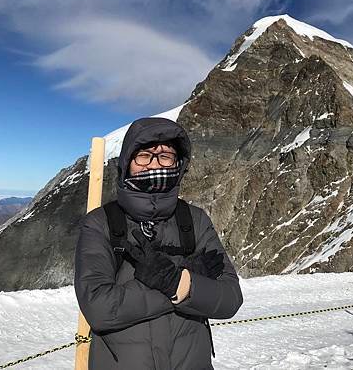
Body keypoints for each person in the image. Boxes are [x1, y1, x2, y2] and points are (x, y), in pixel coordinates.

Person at [74, 116, 243, 370]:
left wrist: (173, 281)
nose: (155, 164)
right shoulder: (100, 224)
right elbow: (99, 308)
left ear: (178, 164)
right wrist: (181, 286)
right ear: (127, 163)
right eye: (144, 155)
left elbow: (230, 298)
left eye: (165, 156)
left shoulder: (195, 221)